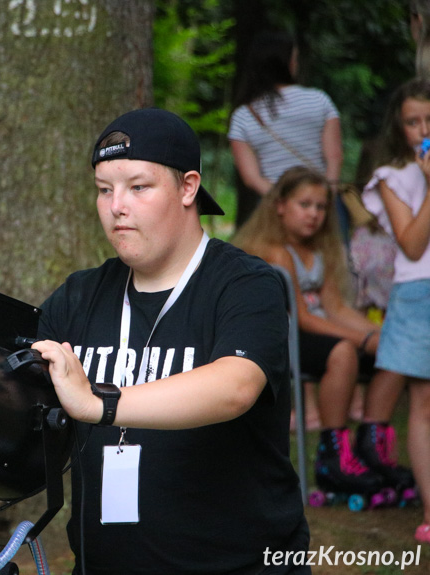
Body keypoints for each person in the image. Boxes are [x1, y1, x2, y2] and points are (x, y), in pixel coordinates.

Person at [31, 108, 308, 574]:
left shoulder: (246, 285)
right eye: (104, 189)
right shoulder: (78, 296)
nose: (117, 205)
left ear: (188, 187)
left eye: (138, 187)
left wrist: (101, 402)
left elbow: (235, 387)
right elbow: (23, 412)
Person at [232, 166, 393, 501]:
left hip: (318, 333)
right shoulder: (275, 251)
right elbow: (302, 318)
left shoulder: (321, 251)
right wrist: (362, 339)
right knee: (344, 352)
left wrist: (382, 334)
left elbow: (336, 308)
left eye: (321, 207)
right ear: (280, 205)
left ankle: (373, 447)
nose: (315, 215)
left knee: (392, 354)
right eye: (305, 205)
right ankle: (332, 454)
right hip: (285, 338)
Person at [360, 77, 430, 542]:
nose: (424, 128)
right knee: (424, 405)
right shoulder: (391, 177)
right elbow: (411, 243)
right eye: (413, 121)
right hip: (419, 290)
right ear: (399, 127)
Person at [228, 30, 344, 229]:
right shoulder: (319, 100)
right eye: (295, 59)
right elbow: (334, 156)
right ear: (287, 63)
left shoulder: (244, 115)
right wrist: (325, 195)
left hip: (275, 207)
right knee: (334, 257)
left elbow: (252, 178)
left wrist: (286, 202)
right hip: (323, 203)